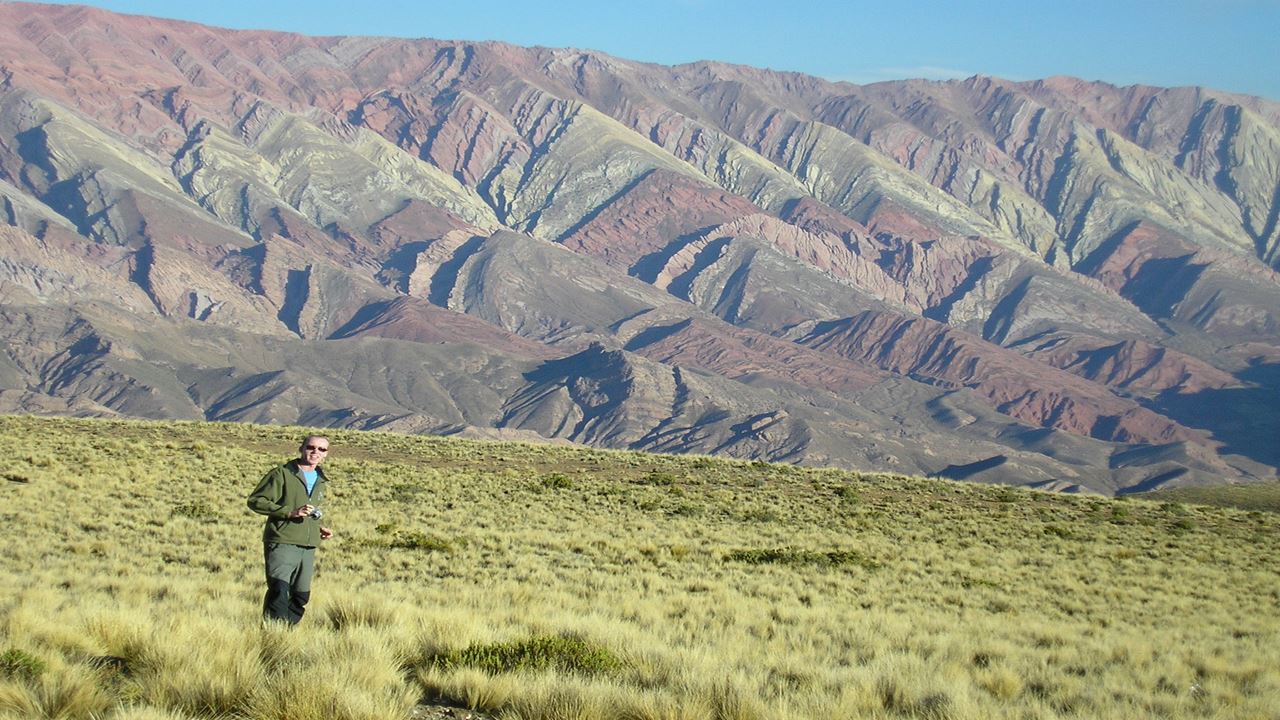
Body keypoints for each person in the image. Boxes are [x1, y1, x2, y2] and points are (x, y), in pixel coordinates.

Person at [247, 435, 334, 624]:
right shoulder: (282, 474)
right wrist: (290, 513)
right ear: (301, 448)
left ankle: (287, 634)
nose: (315, 452)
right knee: (279, 590)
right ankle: (274, 638)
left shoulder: (320, 479)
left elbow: (308, 509)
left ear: (326, 454)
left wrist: (317, 527)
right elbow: (256, 501)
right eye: (311, 447)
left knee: (300, 596)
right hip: (282, 540)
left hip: (308, 545)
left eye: (321, 449)